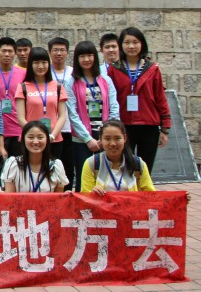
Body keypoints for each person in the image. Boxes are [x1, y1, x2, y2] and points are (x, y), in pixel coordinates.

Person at [107, 27, 171, 173]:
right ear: (121, 45)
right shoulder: (114, 69)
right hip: (123, 125)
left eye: (135, 42)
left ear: (142, 44)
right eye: (127, 42)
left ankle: (143, 189)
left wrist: (165, 129)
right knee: (124, 168)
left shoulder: (152, 68)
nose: (131, 46)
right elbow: (110, 99)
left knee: (145, 170)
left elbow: (160, 98)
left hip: (149, 125)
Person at [64, 40, 120, 192]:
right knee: (84, 180)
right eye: (82, 56)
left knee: (107, 179)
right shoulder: (71, 82)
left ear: (95, 57)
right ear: (77, 59)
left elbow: (114, 107)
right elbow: (72, 113)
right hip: (82, 139)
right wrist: (88, 139)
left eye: (89, 55)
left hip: (105, 137)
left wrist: (107, 134)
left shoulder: (106, 80)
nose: (86, 59)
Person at [14, 47, 68, 175]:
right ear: (30, 64)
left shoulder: (58, 86)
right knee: (30, 174)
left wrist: (52, 136)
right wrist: (35, 135)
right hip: (30, 140)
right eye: (36, 62)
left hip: (54, 139)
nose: (41, 66)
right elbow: (20, 118)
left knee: (53, 174)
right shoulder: (23, 87)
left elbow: (62, 116)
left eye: (44, 62)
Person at [81, 120, 155, 194]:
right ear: (100, 139)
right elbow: (85, 196)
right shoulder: (91, 163)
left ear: (125, 138)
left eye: (117, 138)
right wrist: (92, 193)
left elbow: (151, 195)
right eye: (107, 139)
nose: (113, 143)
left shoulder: (138, 164)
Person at [0, 37, 27, 160]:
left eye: (10, 51)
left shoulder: (23, 74)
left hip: (18, 129)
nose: (7, 54)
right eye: (4, 51)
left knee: (17, 166)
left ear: (15, 53)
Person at [2, 121, 68, 192]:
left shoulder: (56, 166)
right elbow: (9, 196)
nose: (36, 142)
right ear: (23, 139)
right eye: (31, 137)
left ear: (47, 140)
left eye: (40, 137)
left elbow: (59, 197)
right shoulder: (13, 164)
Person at [47, 36, 76, 187]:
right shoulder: (46, 73)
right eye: (55, 50)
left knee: (69, 165)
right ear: (49, 52)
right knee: (52, 165)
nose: (59, 53)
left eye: (62, 50)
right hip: (52, 128)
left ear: (67, 52)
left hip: (70, 126)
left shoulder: (73, 72)